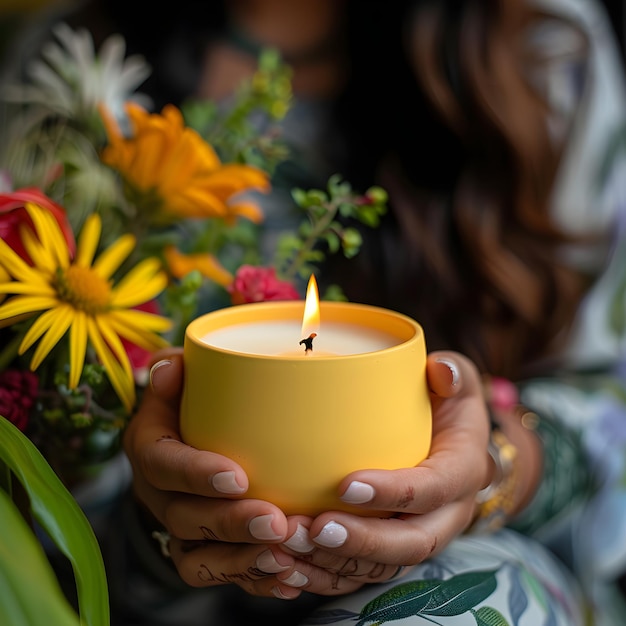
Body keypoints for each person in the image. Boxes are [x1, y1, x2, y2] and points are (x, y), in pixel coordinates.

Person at [9, 0, 626, 624]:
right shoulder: (74, 71)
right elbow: (39, 500)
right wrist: (161, 518)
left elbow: (612, 402)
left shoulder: (537, 46)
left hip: (467, 561)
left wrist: (493, 469)